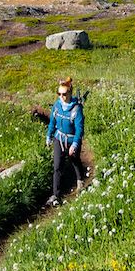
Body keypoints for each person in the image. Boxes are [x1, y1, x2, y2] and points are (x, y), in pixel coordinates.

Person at [45, 77, 85, 205]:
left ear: (70, 93)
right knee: (57, 166)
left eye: (64, 94)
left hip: (72, 139)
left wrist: (75, 144)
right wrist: (49, 135)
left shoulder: (76, 109)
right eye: (59, 94)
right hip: (59, 138)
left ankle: (80, 180)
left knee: (74, 160)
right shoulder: (57, 106)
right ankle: (56, 195)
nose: (61, 96)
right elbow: (52, 122)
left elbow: (79, 129)